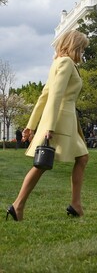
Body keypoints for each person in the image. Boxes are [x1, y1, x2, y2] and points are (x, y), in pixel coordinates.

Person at [6, 30, 90, 221]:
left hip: (64, 122)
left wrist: (31, 125)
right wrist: (48, 127)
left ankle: (76, 204)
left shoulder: (59, 63)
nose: (83, 52)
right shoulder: (66, 63)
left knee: (82, 157)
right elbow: (53, 96)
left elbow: (44, 95)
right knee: (42, 163)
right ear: (75, 46)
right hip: (60, 121)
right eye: (82, 48)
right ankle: (17, 205)